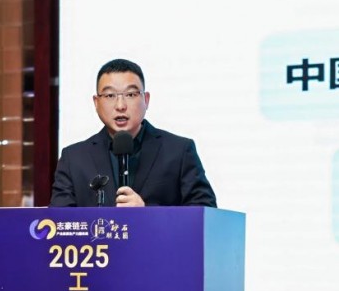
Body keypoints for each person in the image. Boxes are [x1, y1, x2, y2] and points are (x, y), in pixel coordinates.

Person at [50, 58, 216, 207]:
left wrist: (146, 214)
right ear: (96, 102)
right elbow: (59, 222)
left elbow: (205, 212)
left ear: (146, 100)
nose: (120, 105)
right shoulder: (73, 158)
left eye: (130, 94)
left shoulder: (179, 151)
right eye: (110, 95)